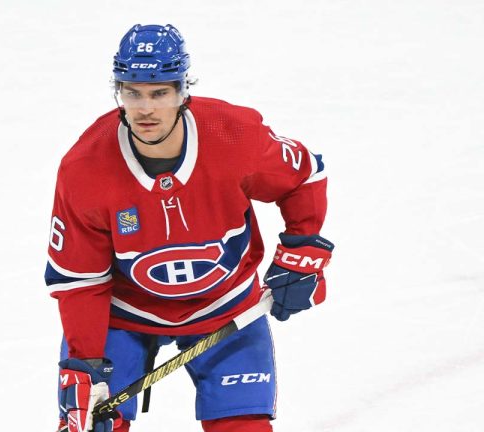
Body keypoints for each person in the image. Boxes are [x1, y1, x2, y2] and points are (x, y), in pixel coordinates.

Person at [45, 24, 334, 432]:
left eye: (160, 92)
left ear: (183, 90)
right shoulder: (84, 170)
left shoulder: (234, 136)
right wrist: (85, 365)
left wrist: (303, 251)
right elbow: (81, 281)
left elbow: (303, 175)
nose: (145, 108)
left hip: (226, 305)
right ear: (119, 92)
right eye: (133, 92)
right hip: (125, 315)